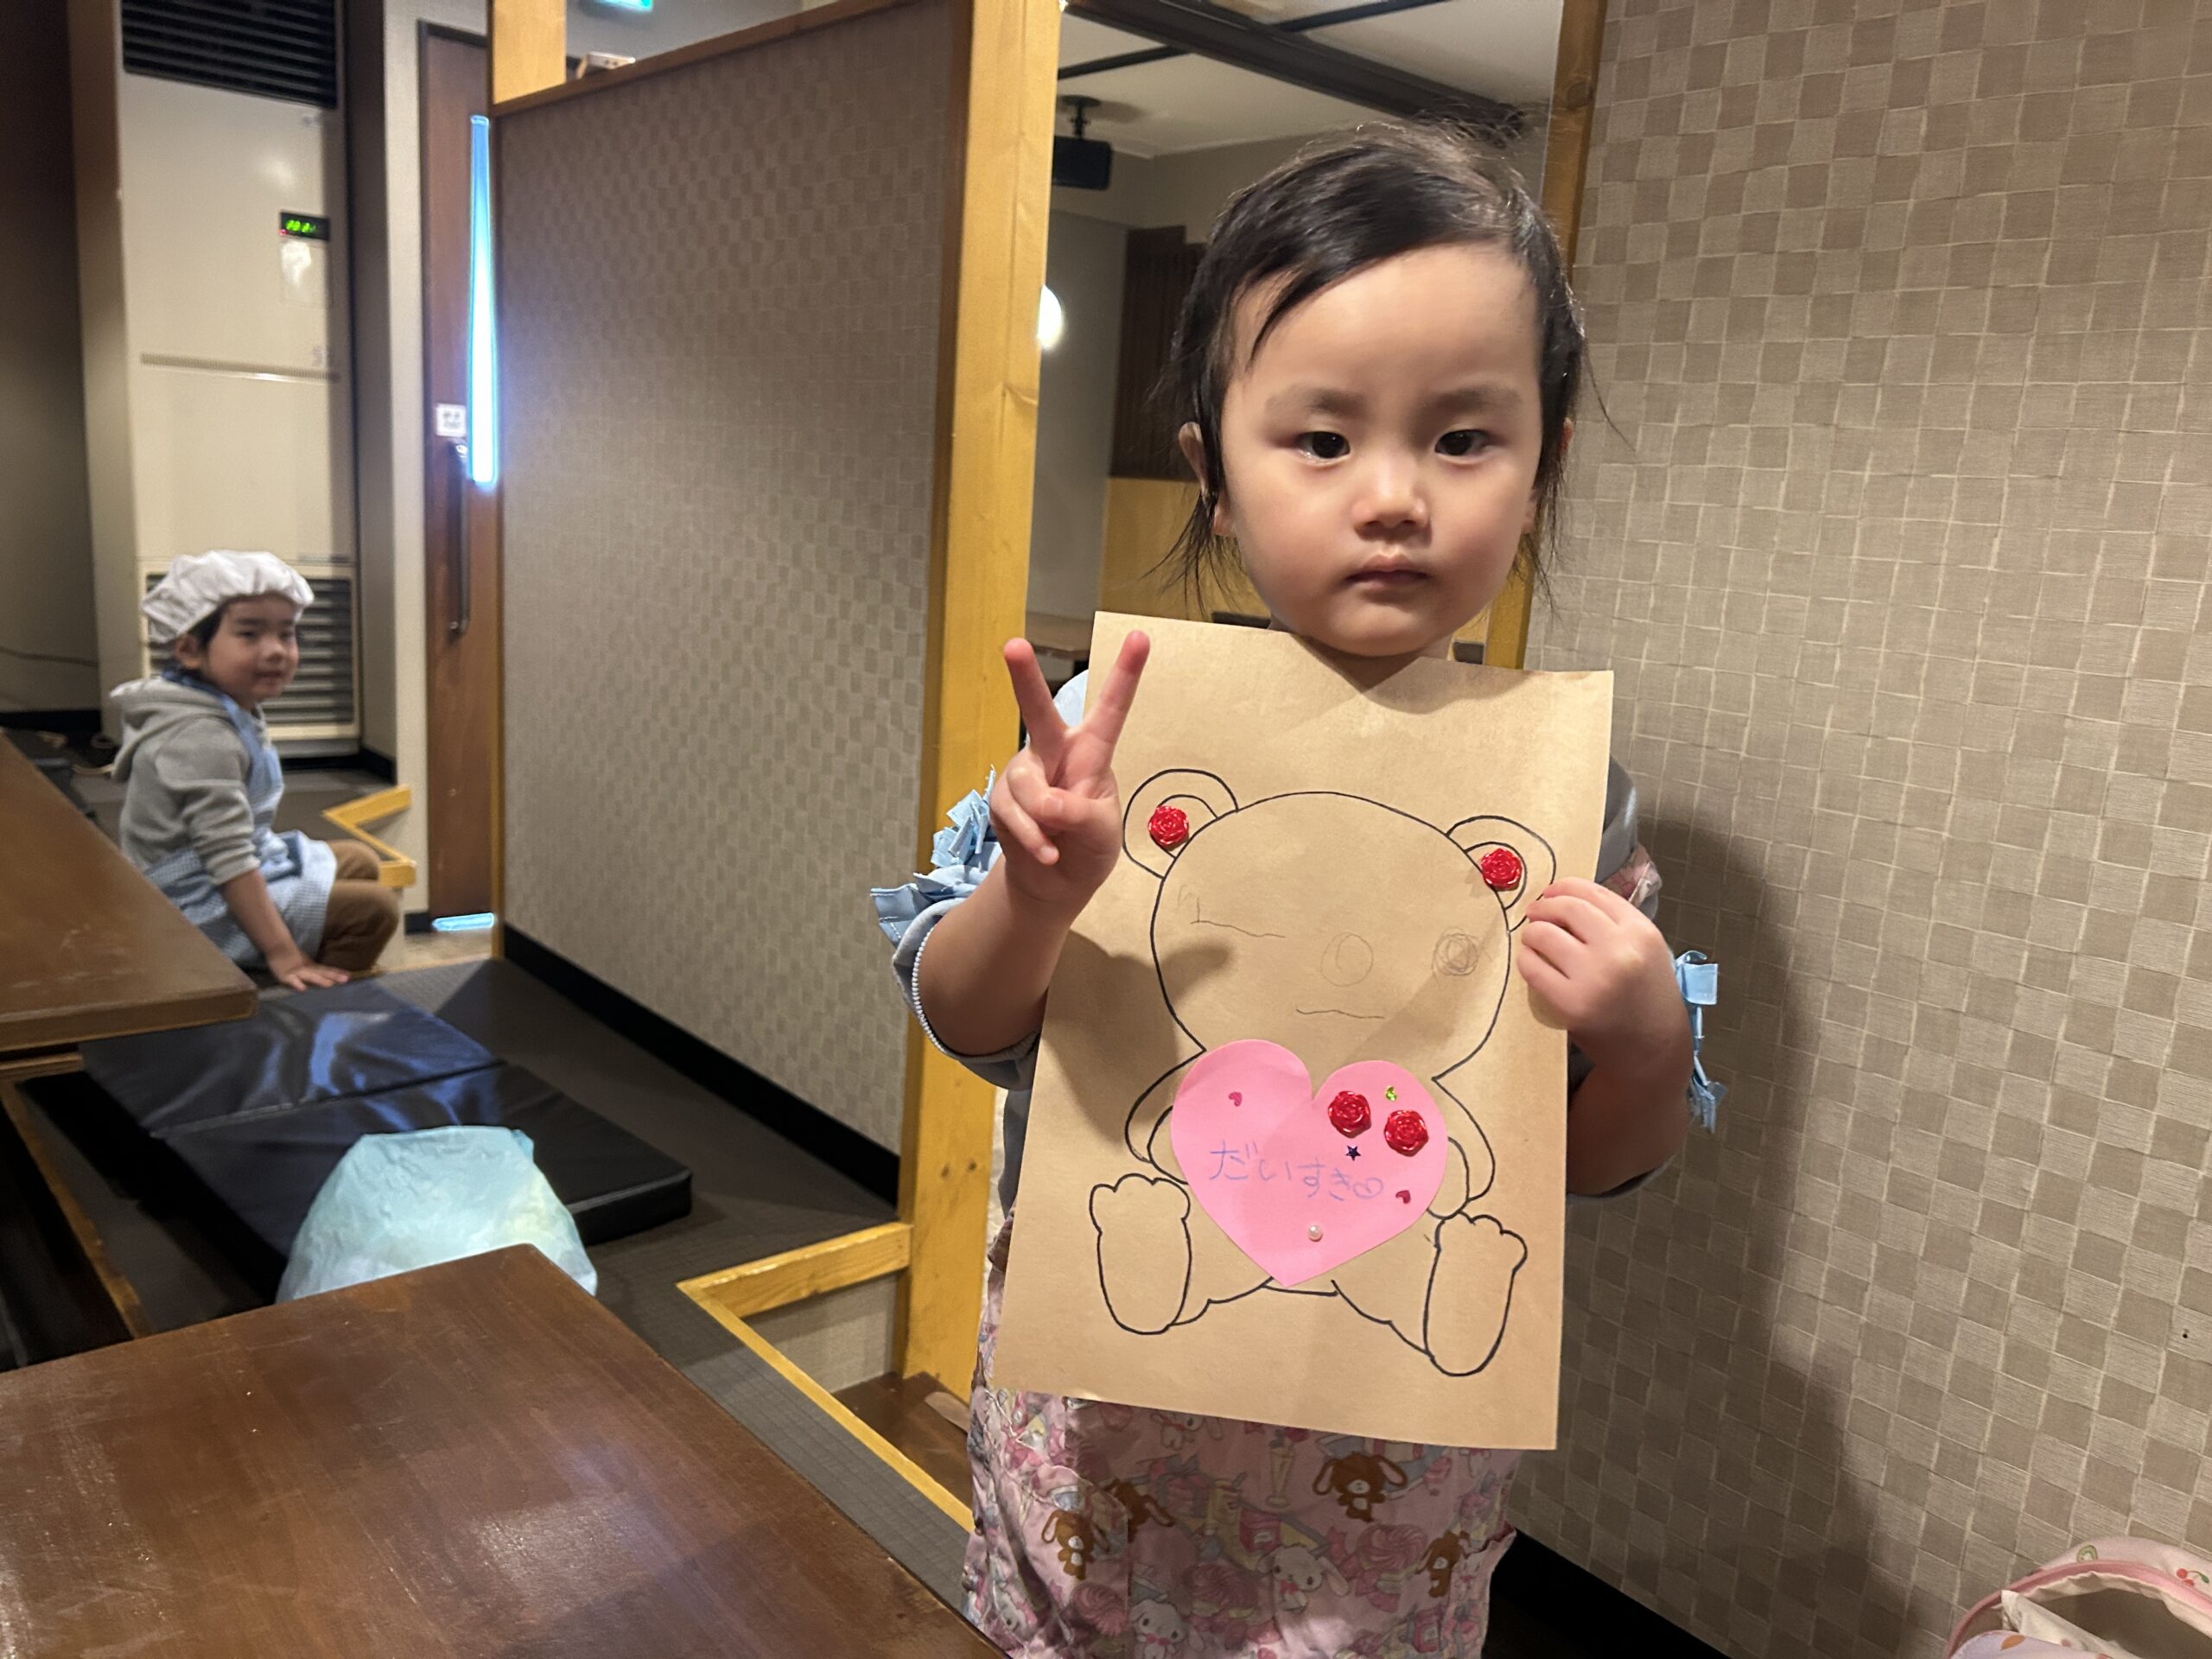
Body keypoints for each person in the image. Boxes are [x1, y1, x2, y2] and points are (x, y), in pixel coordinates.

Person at [874, 124, 1718, 1655]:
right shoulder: (1110, 735)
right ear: (1213, 470)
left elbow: (1585, 1164)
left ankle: (1433, 1274)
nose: (1393, 496)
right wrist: (1036, 899)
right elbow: (963, 1016)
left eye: (1463, 439)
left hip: (1384, 1483)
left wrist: (1649, 1047)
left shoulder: (1565, 801)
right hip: (1104, 1441)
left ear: (1543, 466)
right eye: (1322, 440)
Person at [113, 550, 397, 989]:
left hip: (223, 865)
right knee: (373, 912)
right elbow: (227, 859)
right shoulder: (200, 735)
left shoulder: (221, 703)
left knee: (359, 861)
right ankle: (295, 998)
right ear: (189, 649)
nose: (276, 651)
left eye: (287, 633)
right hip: (189, 901)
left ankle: (306, 963)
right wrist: (282, 952)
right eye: (249, 634)